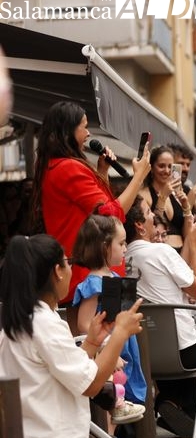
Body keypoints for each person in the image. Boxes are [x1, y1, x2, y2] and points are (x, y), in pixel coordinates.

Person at [0, 234, 142, 438]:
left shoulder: (22, 321)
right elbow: (90, 385)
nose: (70, 269)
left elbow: (65, 374)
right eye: (67, 263)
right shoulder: (43, 323)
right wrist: (119, 335)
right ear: (57, 271)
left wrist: (91, 344)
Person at [124, 196, 196, 437]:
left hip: (144, 354)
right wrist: (194, 243)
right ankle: (185, 412)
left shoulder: (122, 258)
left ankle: (171, 402)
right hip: (180, 350)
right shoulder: (160, 251)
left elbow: (181, 276)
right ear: (139, 225)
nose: (154, 216)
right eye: (148, 212)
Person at [32, 100, 151, 304]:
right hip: (88, 277)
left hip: (85, 273)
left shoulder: (55, 166)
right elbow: (111, 215)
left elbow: (97, 210)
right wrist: (138, 177)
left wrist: (102, 171)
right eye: (84, 127)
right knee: (100, 324)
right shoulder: (68, 168)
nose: (88, 134)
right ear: (68, 131)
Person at [72, 215, 147, 426]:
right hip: (107, 350)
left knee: (119, 396)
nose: (125, 248)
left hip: (120, 346)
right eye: (121, 243)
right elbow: (84, 324)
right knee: (111, 399)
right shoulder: (94, 283)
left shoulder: (112, 277)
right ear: (105, 247)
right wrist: (107, 349)